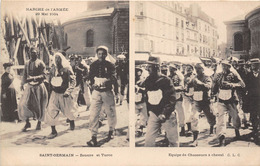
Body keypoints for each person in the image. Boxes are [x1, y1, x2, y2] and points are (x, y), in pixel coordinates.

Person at [87, 46, 118, 147]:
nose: (101, 56)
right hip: (96, 92)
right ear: (97, 54)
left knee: (111, 112)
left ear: (106, 54)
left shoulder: (110, 65)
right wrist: (92, 84)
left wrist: (105, 80)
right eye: (99, 54)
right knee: (93, 114)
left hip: (107, 92)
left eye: (103, 54)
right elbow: (90, 77)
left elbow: (114, 77)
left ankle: (111, 130)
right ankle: (93, 137)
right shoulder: (93, 65)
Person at [143, 56, 178, 147]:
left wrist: (164, 113)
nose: (147, 69)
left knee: (173, 141)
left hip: (167, 114)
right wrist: (149, 113)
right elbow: (148, 98)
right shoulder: (148, 80)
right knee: (148, 141)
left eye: (150, 67)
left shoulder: (166, 80)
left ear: (157, 67)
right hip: (154, 114)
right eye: (147, 67)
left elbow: (171, 99)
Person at [209, 60, 245, 146]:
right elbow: (214, 86)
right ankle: (222, 139)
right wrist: (213, 93)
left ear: (229, 66)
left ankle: (237, 133)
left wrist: (232, 85)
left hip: (231, 99)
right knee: (221, 119)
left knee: (235, 117)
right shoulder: (218, 75)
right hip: (221, 99)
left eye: (226, 66)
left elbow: (242, 84)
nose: (224, 67)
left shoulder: (234, 74)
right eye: (223, 66)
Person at [45, 52, 78, 139]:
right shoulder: (52, 70)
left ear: (62, 59)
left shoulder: (67, 69)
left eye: (58, 59)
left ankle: (71, 122)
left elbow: (73, 81)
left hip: (64, 94)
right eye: (55, 59)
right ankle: (53, 131)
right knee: (51, 111)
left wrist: (68, 91)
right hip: (54, 93)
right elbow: (49, 82)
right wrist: (49, 94)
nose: (57, 61)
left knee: (69, 111)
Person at [18, 48, 48, 131]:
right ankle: (27, 123)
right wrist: (22, 84)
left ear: (37, 54)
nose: (32, 55)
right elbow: (25, 74)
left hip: (39, 87)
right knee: (23, 104)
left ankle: (39, 123)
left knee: (39, 105)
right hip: (29, 87)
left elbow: (44, 75)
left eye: (34, 53)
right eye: (31, 53)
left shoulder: (41, 63)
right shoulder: (27, 63)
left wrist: (34, 78)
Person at [189, 63, 216, 146]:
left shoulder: (207, 77)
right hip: (196, 100)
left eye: (199, 68)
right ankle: (195, 139)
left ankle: (212, 128)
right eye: (196, 68)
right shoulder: (194, 78)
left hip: (205, 101)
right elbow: (189, 86)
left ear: (203, 69)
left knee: (210, 116)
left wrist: (199, 83)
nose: (197, 70)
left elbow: (208, 86)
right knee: (194, 117)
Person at [168, 63, 185, 136]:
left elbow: (181, 87)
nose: (171, 70)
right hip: (170, 98)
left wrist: (173, 88)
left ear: (175, 69)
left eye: (172, 69)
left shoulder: (179, 77)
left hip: (178, 97)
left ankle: (183, 128)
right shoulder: (168, 77)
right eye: (170, 69)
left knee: (180, 113)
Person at [246, 58, 260, 144]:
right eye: (253, 65)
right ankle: (255, 130)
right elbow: (246, 86)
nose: (254, 66)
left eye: (256, 65)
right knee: (253, 115)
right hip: (252, 99)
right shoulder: (249, 75)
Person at [135, 67, 148, 137]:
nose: (137, 72)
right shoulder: (133, 80)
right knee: (136, 116)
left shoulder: (144, 80)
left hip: (142, 99)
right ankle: (138, 129)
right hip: (135, 99)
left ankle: (141, 129)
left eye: (139, 71)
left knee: (143, 116)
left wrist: (139, 88)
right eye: (136, 71)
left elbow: (146, 89)